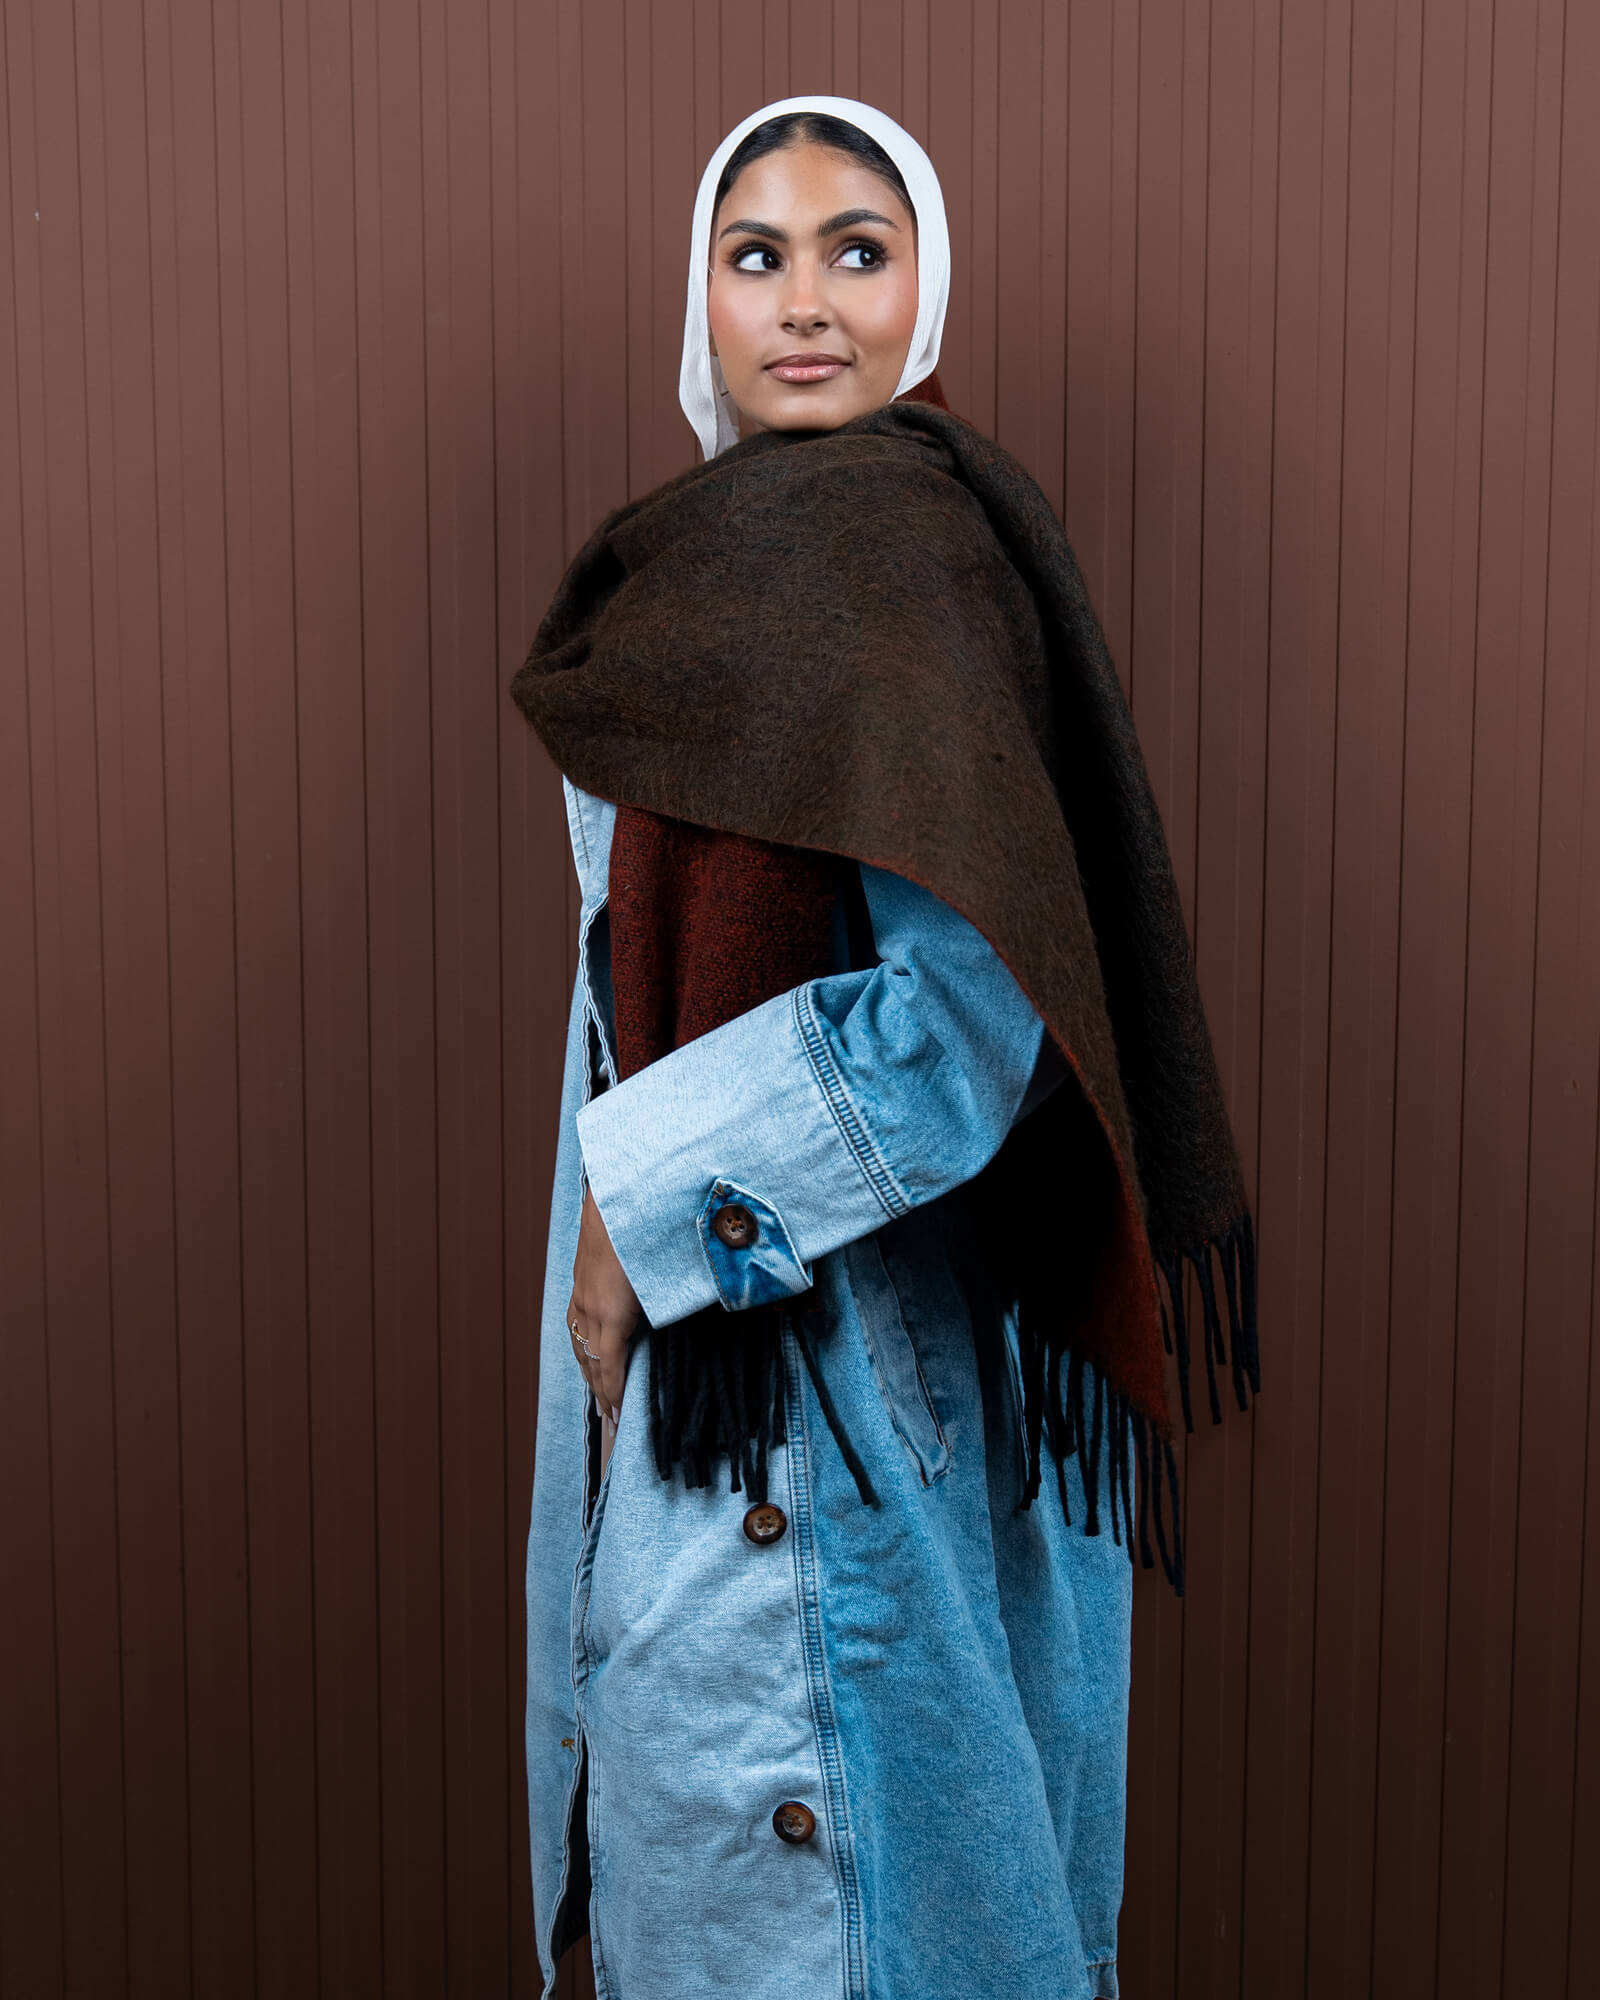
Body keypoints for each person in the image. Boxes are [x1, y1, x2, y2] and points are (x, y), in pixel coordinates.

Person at [513, 94, 1258, 2000]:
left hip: (828, 1385)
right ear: (698, 297)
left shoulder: (903, 557)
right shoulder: (688, 573)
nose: (805, 301)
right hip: (709, 1368)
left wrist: (638, 1212)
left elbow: (972, 1019)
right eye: (754, 254)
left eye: (859, 250)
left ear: (927, 293)